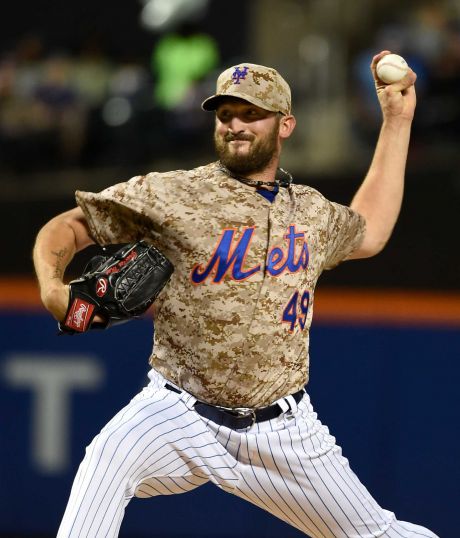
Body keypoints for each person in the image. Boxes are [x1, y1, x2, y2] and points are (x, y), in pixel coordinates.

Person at [33, 52, 438, 537]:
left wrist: (397, 120)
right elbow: (68, 228)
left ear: (284, 125)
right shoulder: (173, 193)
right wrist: (53, 287)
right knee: (108, 458)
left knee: (382, 534)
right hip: (180, 411)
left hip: (284, 429)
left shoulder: (309, 210)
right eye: (226, 114)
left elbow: (368, 232)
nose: (235, 125)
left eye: (252, 114)